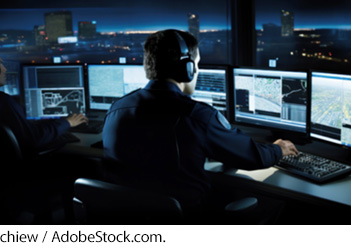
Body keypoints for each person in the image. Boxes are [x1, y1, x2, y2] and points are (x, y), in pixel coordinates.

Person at [103, 29, 299, 214]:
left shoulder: (116, 109)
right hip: (188, 221)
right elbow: (251, 156)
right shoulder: (197, 116)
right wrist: (278, 149)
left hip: (132, 221)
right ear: (187, 68)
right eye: (197, 63)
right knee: (276, 207)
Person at [0, 45, 88, 159]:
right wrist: (67, 123)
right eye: (0, 64)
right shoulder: (3, 101)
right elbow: (34, 139)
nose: (4, 69)